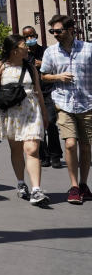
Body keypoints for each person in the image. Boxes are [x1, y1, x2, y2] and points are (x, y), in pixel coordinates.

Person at [0, 33, 50, 206]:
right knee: (16, 149)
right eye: (24, 46)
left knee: (32, 148)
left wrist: (44, 112)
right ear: (14, 50)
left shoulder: (30, 67)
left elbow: (38, 91)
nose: (28, 48)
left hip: (31, 109)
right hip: (10, 112)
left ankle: (36, 189)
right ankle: (21, 183)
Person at [39, 14, 92, 205]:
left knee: (86, 146)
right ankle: (74, 185)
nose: (55, 34)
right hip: (63, 103)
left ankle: (84, 184)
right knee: (70, 144)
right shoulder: (50, 52)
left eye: (58, 31)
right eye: (52, 31)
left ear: (71, 30)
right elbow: (44, 75)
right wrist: (58, 77)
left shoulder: (88, 49)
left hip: (87, 103)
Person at [24, 25, 62, 168]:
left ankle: (55, 155)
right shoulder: (24, 55)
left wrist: (42, 64)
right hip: (31, 94)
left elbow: (57, 68)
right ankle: (43, 155)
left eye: (31, 36)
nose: (29, 39)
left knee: (51, 122)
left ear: (36, 36)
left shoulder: (46, 52)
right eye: (26, 37)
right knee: (37, 126)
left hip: (47, 92)